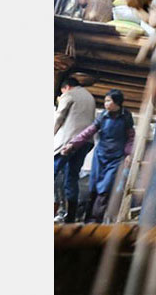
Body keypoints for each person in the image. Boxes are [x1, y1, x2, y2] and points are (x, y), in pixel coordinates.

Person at [62, 89, 135, 223]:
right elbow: (88, 132)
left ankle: (96, 220)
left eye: (108, 101)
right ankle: (87, 219)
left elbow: (131, 137)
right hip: (100, 156)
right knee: (94, 187)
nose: (106, 104)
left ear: (117, 102)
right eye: (105, 101)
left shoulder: (126, 117)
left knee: (105, 188)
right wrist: (73, 144)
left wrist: (129, 154)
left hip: (116, 158)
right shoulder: (103, 116)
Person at [53, 75, 96, 223]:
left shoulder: (69, 94)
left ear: (66, 87)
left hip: (68, 141)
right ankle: (70, 217)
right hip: (85, 142)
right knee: (72, 177)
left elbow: (59, 116)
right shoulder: (90, 97)